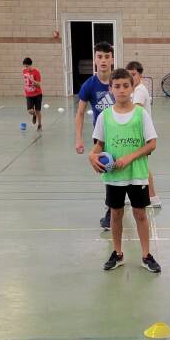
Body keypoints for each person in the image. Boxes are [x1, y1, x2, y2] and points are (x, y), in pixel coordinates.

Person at [89, 68, 160, 274]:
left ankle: (146, 255)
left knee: (140, 214)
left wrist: (129, 157)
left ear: (132, 88)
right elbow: (99, 145)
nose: (121, 90)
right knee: (116, 214)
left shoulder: (140, 114)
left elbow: (152, 144)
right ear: (110, 89)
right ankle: (118, 253)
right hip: (114, 176)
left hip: (137, 174)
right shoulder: (104, 117)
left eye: (125, 86)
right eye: (117, 86)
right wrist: (92, 156)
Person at [75, 41, 115, 230]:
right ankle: (111, 210)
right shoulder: (89, 85)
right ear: (95, 60)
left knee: (120, 171)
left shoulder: (119, 81)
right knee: (108, 172)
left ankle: (117, 205)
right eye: (100, 57)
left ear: (112, 59)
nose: (103, 60)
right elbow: (80, 113)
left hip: (121, 133)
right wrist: (78, 138)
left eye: (107, 56)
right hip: (101, 137)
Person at [126, 60, 161, 208]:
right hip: (137, 134)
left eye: (134, 74)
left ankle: (153, 197)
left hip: (141, 135)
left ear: (140, 75)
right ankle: (147, 196)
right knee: (138, 166)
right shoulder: (134, 90)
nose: (131, 77)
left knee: (142, 167)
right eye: (129, 74)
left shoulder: (139, 90)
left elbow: (135, 111)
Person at [22, 57, 43, 130]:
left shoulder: (36, 72)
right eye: (25, 66)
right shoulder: (24, 71)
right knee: (30, 111)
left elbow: (38, 84)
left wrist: (31, 79)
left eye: (27, 66)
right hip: (29, 94)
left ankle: (39, 125)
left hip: (37, 94)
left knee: (38, 111)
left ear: (30, 65)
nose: (26, 68)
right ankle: (34, 115)